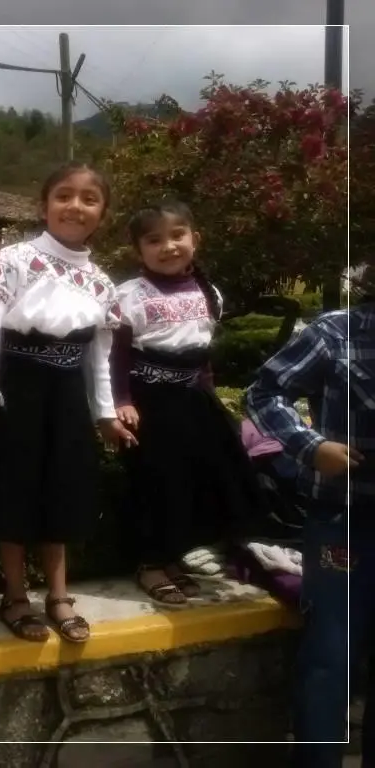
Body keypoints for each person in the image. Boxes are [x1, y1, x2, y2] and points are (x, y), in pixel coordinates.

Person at [0, 162, 133, 645]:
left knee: (61, 491)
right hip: (17, 391)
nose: (75, 206)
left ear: (103, 213)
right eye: (64, 195)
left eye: (89, 199)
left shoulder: (102, 283)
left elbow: (98, 358)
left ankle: (59, 595)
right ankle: (14, 595)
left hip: (66, 398)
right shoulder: (13, 259)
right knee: (14, 493)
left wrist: (105, 414)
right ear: (44, 205)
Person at [244, 266, 374, 768]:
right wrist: (309, 445)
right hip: (344, 522)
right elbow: (263, 393)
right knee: (331, 658)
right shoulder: (335, 333)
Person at [110, 200, 262, 606]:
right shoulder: (129, 296)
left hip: (193, 401)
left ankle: (174, 557)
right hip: (149, 404)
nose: (168, 247)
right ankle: (150, 563)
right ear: (138, 250)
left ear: (196, 239)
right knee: (156, 482)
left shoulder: (208, 292)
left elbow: (202, 354)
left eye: (177, 236)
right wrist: (121, 400)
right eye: (154, 240)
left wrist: (210, 393)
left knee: (194, 481)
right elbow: (117, 356)